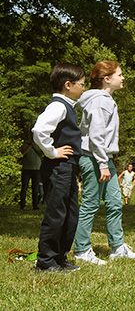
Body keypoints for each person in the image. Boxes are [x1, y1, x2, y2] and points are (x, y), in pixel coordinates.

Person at [73, 61, 135, 264]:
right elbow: (96, 135)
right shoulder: (99, 101)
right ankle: (81, 250)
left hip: (105, 159)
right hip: (94, 158)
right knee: (90, 204)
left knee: (115, 203)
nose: (123, 78)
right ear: (107, 79)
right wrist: (102, 164)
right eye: (119, 75)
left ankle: (117, 247)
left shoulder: (104, 99)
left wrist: (106, 162)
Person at [31, 63, 86, 273]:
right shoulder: (58, 106)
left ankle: (60, 258)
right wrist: (52, 152)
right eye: (81, 84)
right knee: (56, 213)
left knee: (71, 214)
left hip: (68, 167)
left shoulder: (67, 106)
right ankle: (45, 261)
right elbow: (39, 130)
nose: (83, 88)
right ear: (68, 85)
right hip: (58, 168)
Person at [19, 140, 43, 210]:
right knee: (24, 188)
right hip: (26, 168)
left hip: (37, 169)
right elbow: (23, 153)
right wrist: (31, 145)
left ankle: (35, 205)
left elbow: (42, 154)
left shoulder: (39, 145)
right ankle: (22, 205)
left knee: (35, 188)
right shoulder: (25, 144)